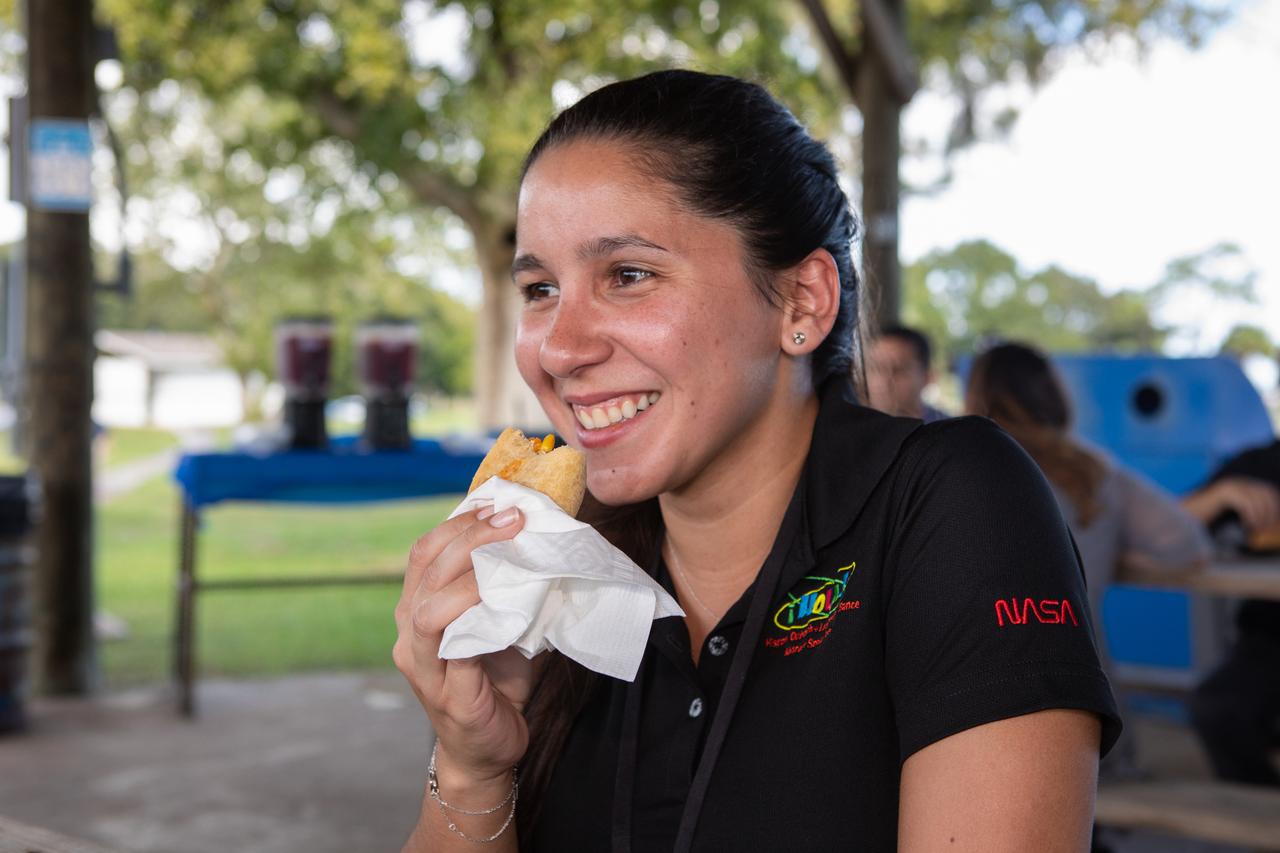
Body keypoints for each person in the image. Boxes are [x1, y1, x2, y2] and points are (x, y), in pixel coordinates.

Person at [395, 71, 1120, 852]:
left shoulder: (950, 501)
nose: (559, 348)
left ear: (802, 303)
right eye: (540, 288)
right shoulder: (563, 577)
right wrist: (474, 765)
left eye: (628, 275)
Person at [963, 341, 1280, 780]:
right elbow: (1186, 545)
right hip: (1082, 702)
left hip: (971, 697)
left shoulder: (953, 465)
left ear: (975, 393)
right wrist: (1112, 545)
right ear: (1054, 395)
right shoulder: (1093, 472)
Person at [1189, 439, 1280, 787]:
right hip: (1271, 636)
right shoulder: (1262, 463)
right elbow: (1165, 527)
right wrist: (1220, 495)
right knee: (1218, 709)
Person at [866, 324, 949, 422]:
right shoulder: (856, 428)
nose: (884, 381)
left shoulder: (946, 430)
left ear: (928, 377)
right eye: (876, 368)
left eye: (899, 370)